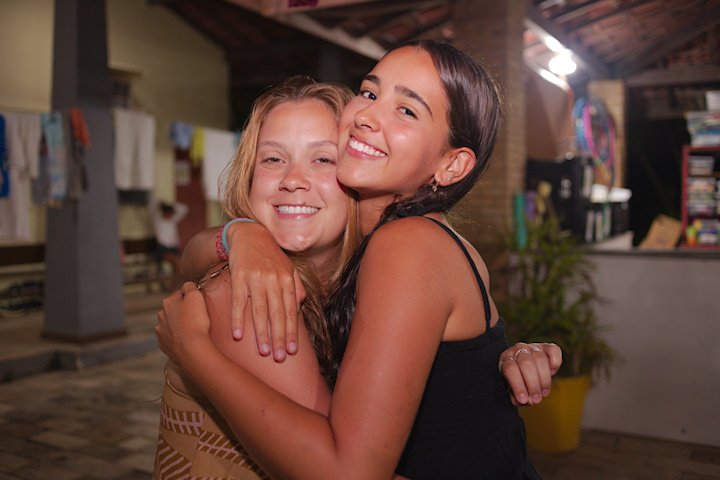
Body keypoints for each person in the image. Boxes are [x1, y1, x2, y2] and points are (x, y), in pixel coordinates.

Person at [157, 41, 559, 479]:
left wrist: (195, 352)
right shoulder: (410, 246)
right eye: (369, 93)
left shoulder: (406, 245)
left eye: (407, 110)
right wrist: (238, 233)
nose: (368, 115)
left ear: (451, 165)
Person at [154, 77, 359, 478]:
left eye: (323, 159)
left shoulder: (361, 282)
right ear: (248, 176)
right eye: (272, 159)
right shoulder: (245, 291)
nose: (293, 179)